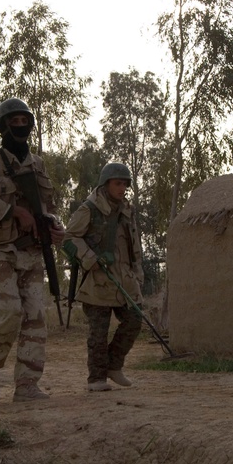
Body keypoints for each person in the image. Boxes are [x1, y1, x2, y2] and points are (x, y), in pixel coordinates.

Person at [0, 97, 64, 402]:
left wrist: (53, 224)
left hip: (31, 251)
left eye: (25, 121)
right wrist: (12, 211)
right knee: (9, 313)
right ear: (2, 126)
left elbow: (49, 204)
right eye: (14, 121)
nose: (20, 126)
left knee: (35, 318)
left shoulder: (38, 165)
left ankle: (27, 385)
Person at [62, 162, 145, 392]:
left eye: (125, 184)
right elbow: (69, 238)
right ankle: (96, 378)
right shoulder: (89, 209)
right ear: (105, 184)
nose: (122, 188)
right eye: (118, 183)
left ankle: (113, 366)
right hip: (98, 279)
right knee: (98, 332)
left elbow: (134, 245)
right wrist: (90, 258)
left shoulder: (127, 211)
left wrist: (138, 272)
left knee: (134, 320)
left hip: (123, 279)